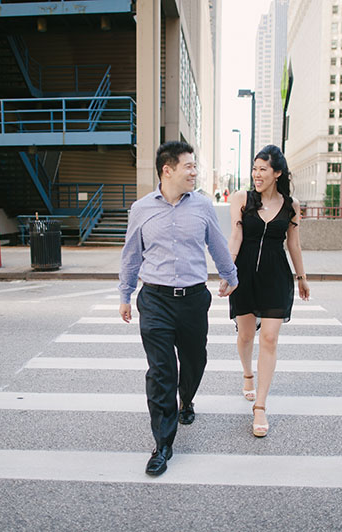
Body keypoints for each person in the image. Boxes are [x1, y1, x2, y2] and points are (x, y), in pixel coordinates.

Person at [119, 141, 238, 476]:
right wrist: (125, 294)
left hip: (193, 298)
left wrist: (230, 276)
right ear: (167, 170)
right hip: (154, 299)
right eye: (188, 166)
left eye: (195, 165)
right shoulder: (141, 209)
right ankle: (163, 444)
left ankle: (187, 399)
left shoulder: (202, 206)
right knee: (160, 372)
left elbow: (217, 243)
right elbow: (131, 255)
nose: (194, 172)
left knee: (194, 359)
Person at [227, 145, 309, 438]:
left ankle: (260, 406)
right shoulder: (241, 199)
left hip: (276, 276)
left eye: (263, 169)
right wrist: (227, 272)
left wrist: (301, 277)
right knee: (246, 334)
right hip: (244, 275)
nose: (257, 174)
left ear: (277, 173)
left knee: (270, 338)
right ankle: (248, 374)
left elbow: (294, 244)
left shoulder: (291, 205)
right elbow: (235, 236)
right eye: (254, 168)